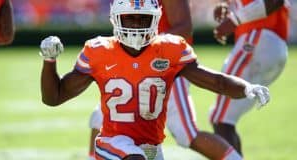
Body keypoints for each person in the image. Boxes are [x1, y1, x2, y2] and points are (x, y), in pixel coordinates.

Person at [39, 0, 270, 159]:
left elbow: (215, 81)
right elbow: (54, 97)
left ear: (156, 21)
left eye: (144, 19)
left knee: (153, 149)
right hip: (114, 143)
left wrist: (247, 88)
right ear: (115, 19)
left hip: (150, 146)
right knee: (124, 145)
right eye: (130, 19)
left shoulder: (169, 49)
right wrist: (49, 62)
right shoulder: (100, 51)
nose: (137, 26)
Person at [87, 0, 241, 159]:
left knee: (187, 133)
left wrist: (147, 46)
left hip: (165, 65)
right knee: (101, 118)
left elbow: (184, 26)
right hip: (134, 63)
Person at [211, 0, 290, 155]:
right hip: (270, 42)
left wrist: (235, 20)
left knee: (221, 119)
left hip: (258, 37)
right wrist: (228, 7)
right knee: (224, 119)